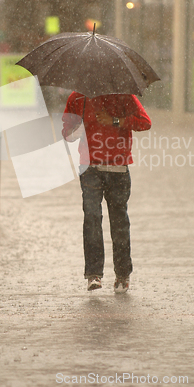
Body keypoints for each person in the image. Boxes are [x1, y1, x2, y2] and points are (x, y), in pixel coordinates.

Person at [62, 92, 151, 293]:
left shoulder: (124, 96)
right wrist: (77, 130)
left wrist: (116, 121)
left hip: (118, 169)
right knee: (92, 217)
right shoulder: (77, 98)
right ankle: (94, 274)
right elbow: (67, 134)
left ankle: (122, 275)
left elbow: (145, 122)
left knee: (119, 222)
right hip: (90, 169)